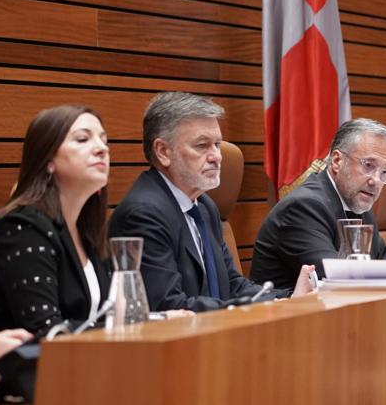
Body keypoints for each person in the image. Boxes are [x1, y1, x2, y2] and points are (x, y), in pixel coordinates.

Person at [109, 92, 313, 312]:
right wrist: (246, 310)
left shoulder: (204, 206)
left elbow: (233, 285)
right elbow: (169, 306)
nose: (217, 156)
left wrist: (287, 300)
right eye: (202, 145)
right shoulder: (144, 214)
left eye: (217, 144)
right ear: (163, 151)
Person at [0, 106, 111, 337]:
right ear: (48, 161)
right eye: (83, 139)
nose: (101, 149)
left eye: (105, 141)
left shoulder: (87, 232)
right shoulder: (22, 228)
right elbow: (45, 331)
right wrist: (122, 328)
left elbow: (109, 315)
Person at [250, 118, 386, 289]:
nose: (376, 181)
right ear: (337, 161)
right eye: (368, 165)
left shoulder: (359, 207)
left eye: (384, 172)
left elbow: (382, 266)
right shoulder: (303, 207)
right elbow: (337, 278)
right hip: (288, 312)